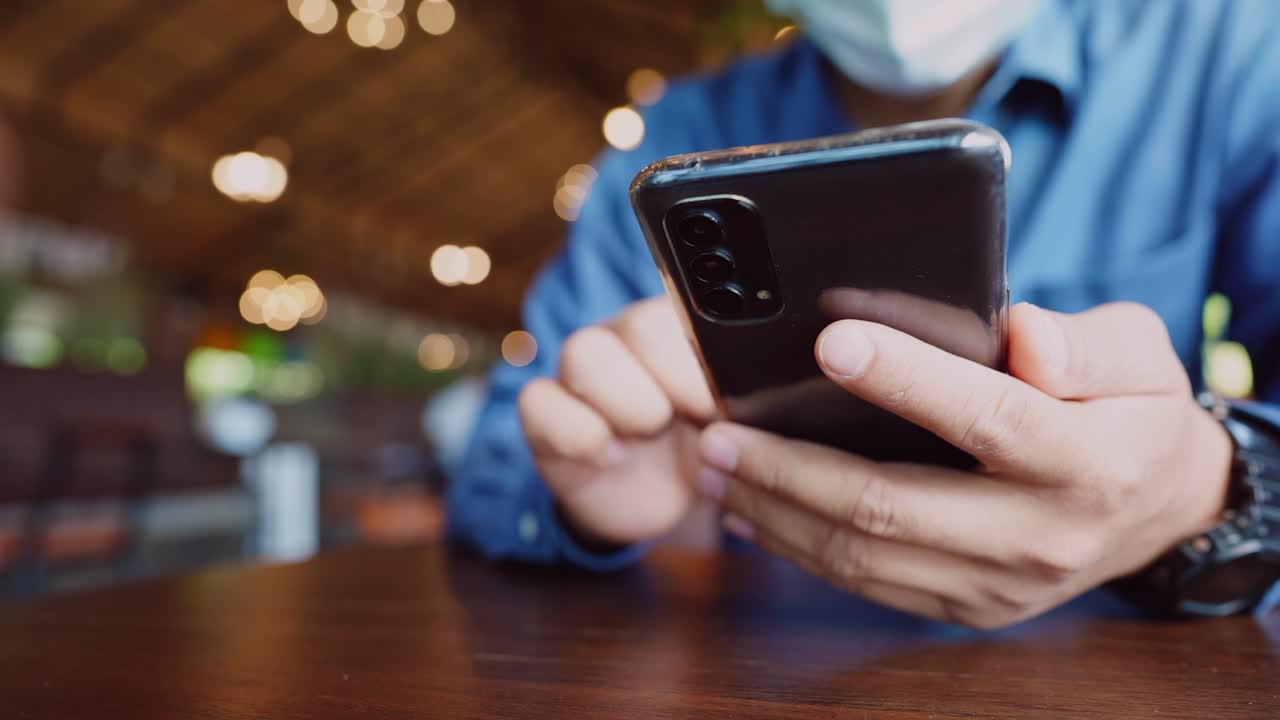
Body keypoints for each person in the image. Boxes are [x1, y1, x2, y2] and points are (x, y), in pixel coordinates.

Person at [448, 0, 1280, 628]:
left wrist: (1211, 489)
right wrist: (585, 491)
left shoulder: (1226, 49)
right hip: (763, 661)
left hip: (1116, 650)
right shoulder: (672, 132)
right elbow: (494, 471)